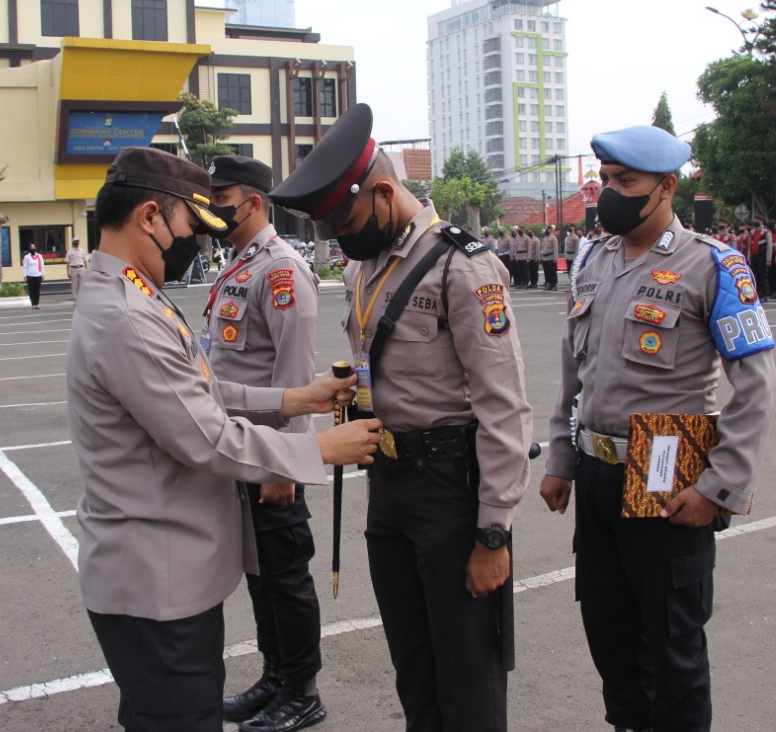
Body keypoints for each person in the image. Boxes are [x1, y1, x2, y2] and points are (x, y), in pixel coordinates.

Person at [68, 146, 380, 732]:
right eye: (191, 223)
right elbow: (206, 436)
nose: (200, 239)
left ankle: (293, 683)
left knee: (278, 586)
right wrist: (316, 449)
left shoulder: (134, 293)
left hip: (165, 568)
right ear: (151, 218)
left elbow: (199, 386)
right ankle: (282, 679)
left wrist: (293, 400)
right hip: (156, 578)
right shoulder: (129, 315)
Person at [268, 103, 533, 732]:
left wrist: (493, 533)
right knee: (414, 672)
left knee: (467, 681)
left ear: (383, 192)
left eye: (345, 220)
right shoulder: (367, 268)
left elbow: (504, 407)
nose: (340, 239)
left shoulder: (461, 266)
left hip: (450, 493)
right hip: (389, 491)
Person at [539, 125, 776, 732]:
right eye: (606, 181)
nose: (609, 194)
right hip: (596, 474)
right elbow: (576, 370)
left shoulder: (713, 265)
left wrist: (718, 487)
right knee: (611, 635)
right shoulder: (594, 260)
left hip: (665, 473)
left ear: (667, 187)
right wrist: (561, 460)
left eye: (627, 182)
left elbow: (757, 386)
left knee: (672, 647)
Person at [204, 155, 328, 732]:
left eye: (222, 196)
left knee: (286, 576)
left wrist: (288, 464)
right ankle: (275, 677)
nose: (214, 207)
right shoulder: (240, 265)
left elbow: (297, 376)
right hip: (242, 447)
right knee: (260, 573)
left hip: (271, 454)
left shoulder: (281, 270)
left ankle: (302, 690)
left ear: (253, 201)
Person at [23, 242, 46, 309]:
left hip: (38, 275)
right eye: (31, 247)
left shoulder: (39, 256)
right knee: (31, 290)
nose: (33, 248)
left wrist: (43, 274)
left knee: (37, 290)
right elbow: (25, 266)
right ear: (29, 249)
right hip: (30, 275)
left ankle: (37, 303)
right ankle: (33, 303)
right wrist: (25, 275)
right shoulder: (27, 257)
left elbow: (42, 265)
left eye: (34, 247)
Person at [541, 224, 559, 291]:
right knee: (547, 272)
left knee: (552, 272)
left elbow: (555, 249)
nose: (547, 230)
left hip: (551, 257)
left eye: (548, 229)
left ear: (551, 230)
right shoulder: (545, 238)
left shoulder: (553, 238)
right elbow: (542, 248)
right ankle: (548, 283)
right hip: (545, 258)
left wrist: (555, 258)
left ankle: (554, 284)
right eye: (546, 229)